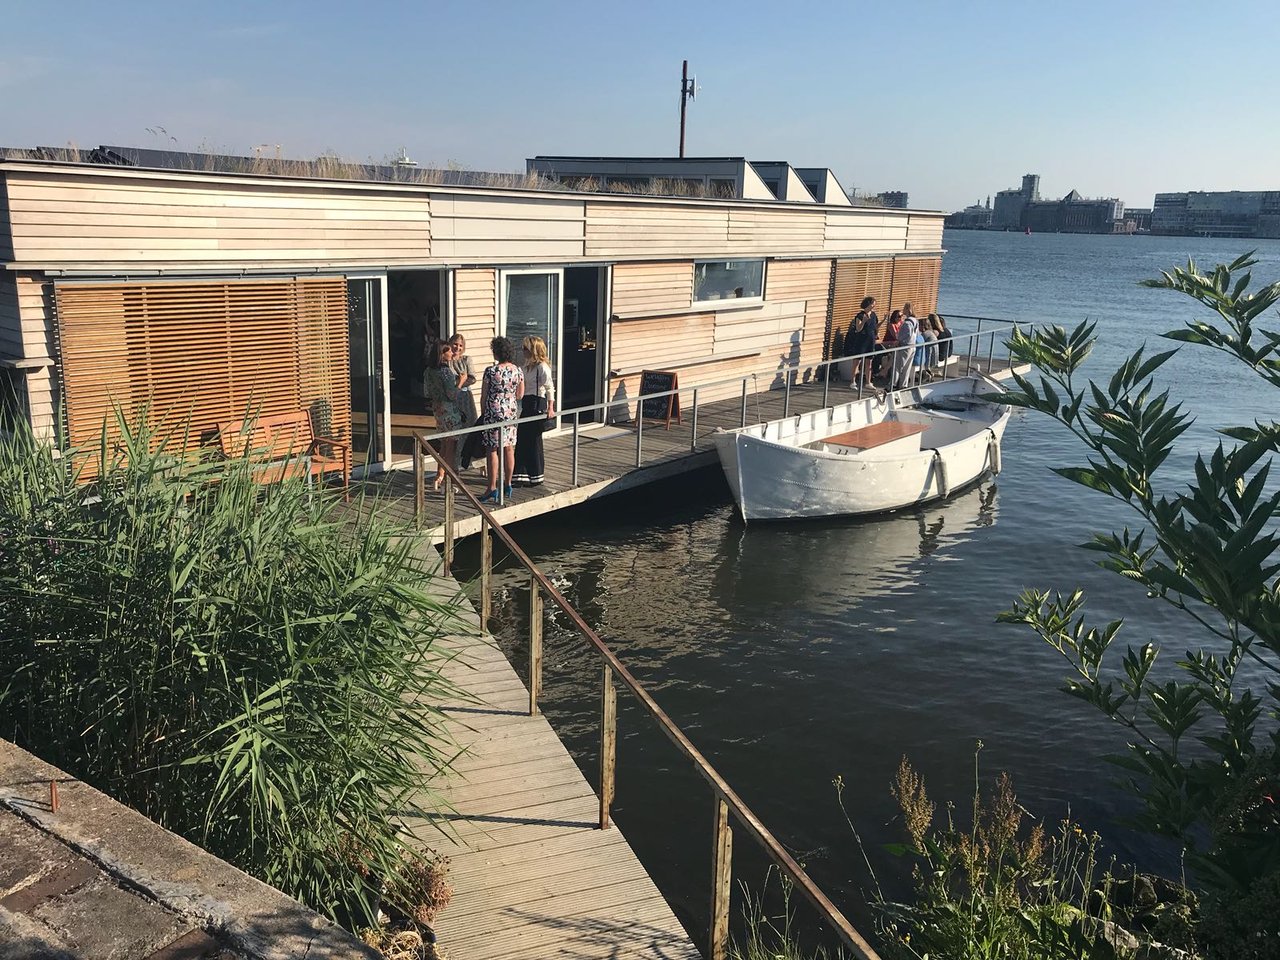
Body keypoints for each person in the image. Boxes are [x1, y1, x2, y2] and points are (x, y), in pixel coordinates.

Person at [478, 336, 524, 503]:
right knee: (509, 447)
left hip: (493, 411)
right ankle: (508, 483)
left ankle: (491, 487)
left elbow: (484, 395)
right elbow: (520, 394)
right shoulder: (517, 370)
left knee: (492, 449)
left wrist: (484, 413)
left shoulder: (491, 371)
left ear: (496, 352)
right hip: (510, 411)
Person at [514, 335, 556, 487]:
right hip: (527, 402)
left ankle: (535, 474)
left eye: (526, 349)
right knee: (523, 439)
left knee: (533, 441)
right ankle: (520, 475)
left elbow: (550, 387)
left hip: (537, 403)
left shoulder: (542, 367)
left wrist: (550, 408)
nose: (523, 351)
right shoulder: (526, 367)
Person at [423, 340, 465, 490]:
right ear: (442, 354)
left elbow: (427, 392)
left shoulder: (428, 371)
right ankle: (452, 479)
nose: (452, 353)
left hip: (437, 409)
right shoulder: (445, 372)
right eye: (448, 351)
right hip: (449, 410)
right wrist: (460, 382)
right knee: (452, 444)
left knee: (444, 443)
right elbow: (452, 394)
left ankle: (439, 475)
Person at [448, 334, 480, 468]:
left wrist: (459, 383)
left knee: (472, 426)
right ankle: (455, 463)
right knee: (456, 431)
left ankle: (475, 461)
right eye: (455, 344)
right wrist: (458, 382)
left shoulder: (466, 359)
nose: (457, 347)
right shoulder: (446, 360)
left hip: (465, 397)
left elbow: (472, 378)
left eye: (461, 345)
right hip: (452, 398)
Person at [844, 296, 879, 388]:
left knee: (869, 362)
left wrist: (883, 320)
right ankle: (853, 381)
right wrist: (863, 321)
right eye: (872, 304)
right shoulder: (860, 315)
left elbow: (875, 327)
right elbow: (858, 329)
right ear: (868, 304)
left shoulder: (874, 315)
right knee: (857, 362)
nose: (873, 306)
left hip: (870, 340)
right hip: (861, 340)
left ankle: (868, 382)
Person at [894, 305, 920, 389]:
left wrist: (899, 340)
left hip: (906, 346)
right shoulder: (915, 321)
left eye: (904, 308)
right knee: (907, 367)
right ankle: (903, 384)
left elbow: (907, 334)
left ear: (908, 310)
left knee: (898, 366)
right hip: (913, 346)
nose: (903, 310)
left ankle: (893, 384)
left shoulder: (907, 322)